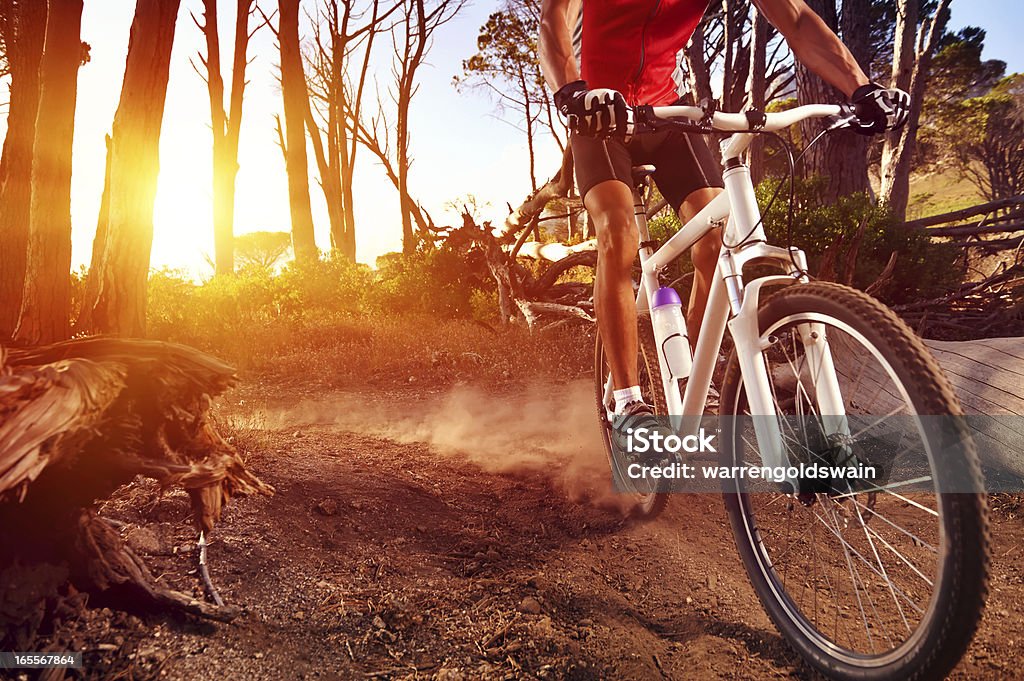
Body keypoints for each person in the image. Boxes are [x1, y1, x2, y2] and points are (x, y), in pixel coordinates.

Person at [539, 0, 910, 423]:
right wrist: (572, 93)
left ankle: (693, 374)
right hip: (598, 114)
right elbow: (554, 21)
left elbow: (798, 18)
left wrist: (861, 88)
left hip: (666, 111)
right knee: (618, 232)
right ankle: (627, 402)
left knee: (718, 233)